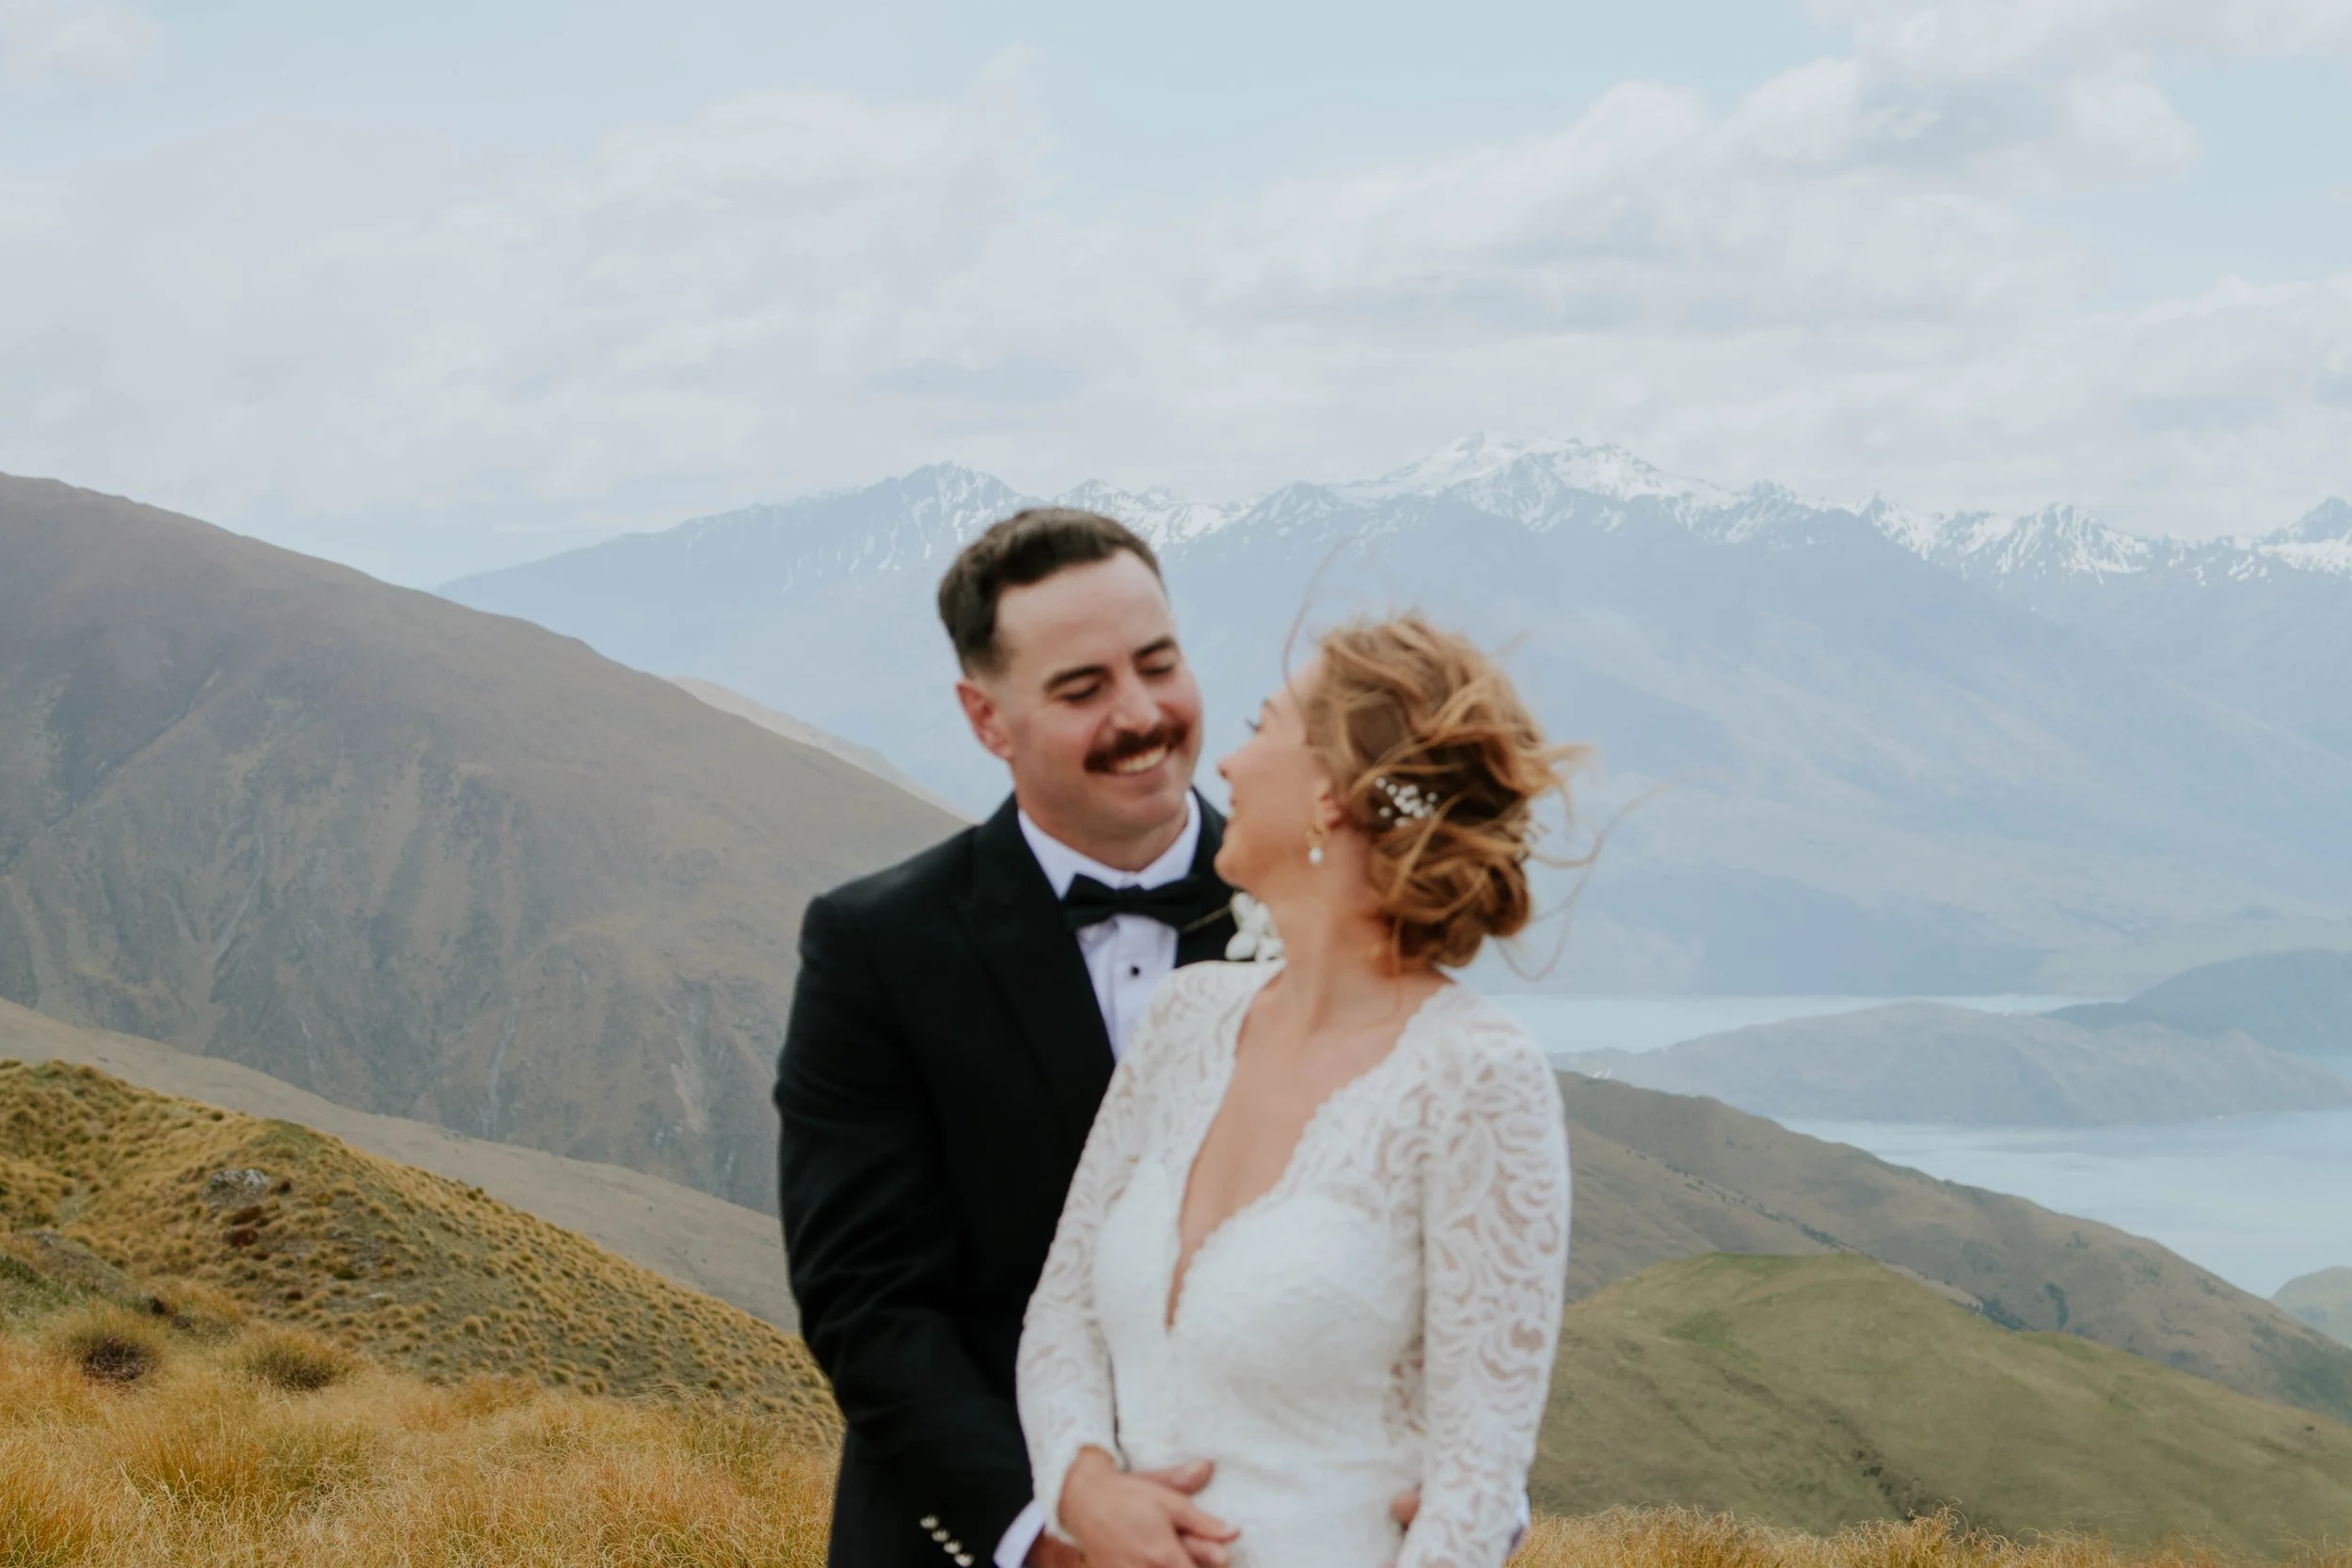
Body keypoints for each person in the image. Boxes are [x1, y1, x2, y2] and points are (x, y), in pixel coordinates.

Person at [1016, 614, 1579, 1568]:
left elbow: (1477, 1483)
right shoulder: (1185, 1019)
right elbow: (1061, 1314)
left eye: (1260, 727)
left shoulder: (1476, 1074)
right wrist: (1084, 1486)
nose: (1226, 763)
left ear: (1331, 793)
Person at [775, 508, 1242, 1568]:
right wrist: (1042, 1533)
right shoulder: (876, 947)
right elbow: (867, 1298)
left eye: (1158, 664)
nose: (1141, 715)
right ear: (987, 717)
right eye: (1082, 689)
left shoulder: (1324, 917)